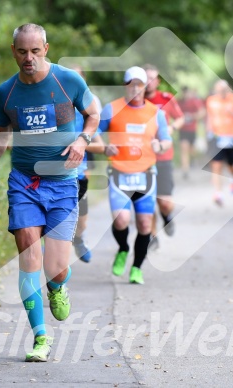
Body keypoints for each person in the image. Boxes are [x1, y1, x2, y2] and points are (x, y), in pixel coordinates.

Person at [0, 24, 100, 362]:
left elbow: (93, 113)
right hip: (24, 183)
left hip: (62, 184)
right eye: (22, 51)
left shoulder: (67, 81)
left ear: (46, 48)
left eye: (35, 51)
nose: (29, 58)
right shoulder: (6, 93)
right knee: (29, 256)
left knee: (55, 268)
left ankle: (57, 286)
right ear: (13, 51)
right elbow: (0, 136)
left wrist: (82, 140)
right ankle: (40, 336)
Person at [100, 66, 172, 284]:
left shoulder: (155, 113)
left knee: (144, 224)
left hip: (146, 174)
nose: (136, 89)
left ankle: (137, 268)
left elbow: (167, 139)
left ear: (145, 86)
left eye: (140, 85)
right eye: (131, 85)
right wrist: (104, 147)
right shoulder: (111, 109)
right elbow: (93, 133)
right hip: (119, 174)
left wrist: (160, 145)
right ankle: (123, 248)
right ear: (125, 86)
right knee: (121, 221)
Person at [143, 64, 184, 250]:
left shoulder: (166, 99)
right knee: (147, 201)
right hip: (142, 158)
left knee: (164, 202)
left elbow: (180, 118)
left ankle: (167, 217)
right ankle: (152, 237)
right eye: (146, 78)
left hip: (164, 156)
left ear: (158, 81)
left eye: (152, 78)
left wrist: (172, 128)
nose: (149, 82)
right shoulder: (135, 101)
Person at [68, 65, 105, 263]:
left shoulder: (90, 103)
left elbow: (100, 145)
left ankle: (80, 238)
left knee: (81, 221)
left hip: (80, 165)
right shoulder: (52, 104)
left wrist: (79, 143)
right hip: (53, 173)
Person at [205, 80, 233, 206]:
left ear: (228, 89)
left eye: (224, 90)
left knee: (231, 165)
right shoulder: (211, 100)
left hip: (232, 137)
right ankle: (218, 193)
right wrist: (208, 132)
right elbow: (210, 117)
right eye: (219, 90)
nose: (221, 93)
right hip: (217, 137)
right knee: (216, 165)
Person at [178, 86, 206, 179]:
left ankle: (193, 159)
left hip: (192, 129)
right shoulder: (179, 102)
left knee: (191, 150)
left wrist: (192, 116)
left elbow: (202, 112)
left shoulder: (194, 101)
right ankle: (185, 170)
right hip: (182, 130)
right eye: (184, 93)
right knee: (184, 148)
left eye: (187, 93)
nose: (186, 95)